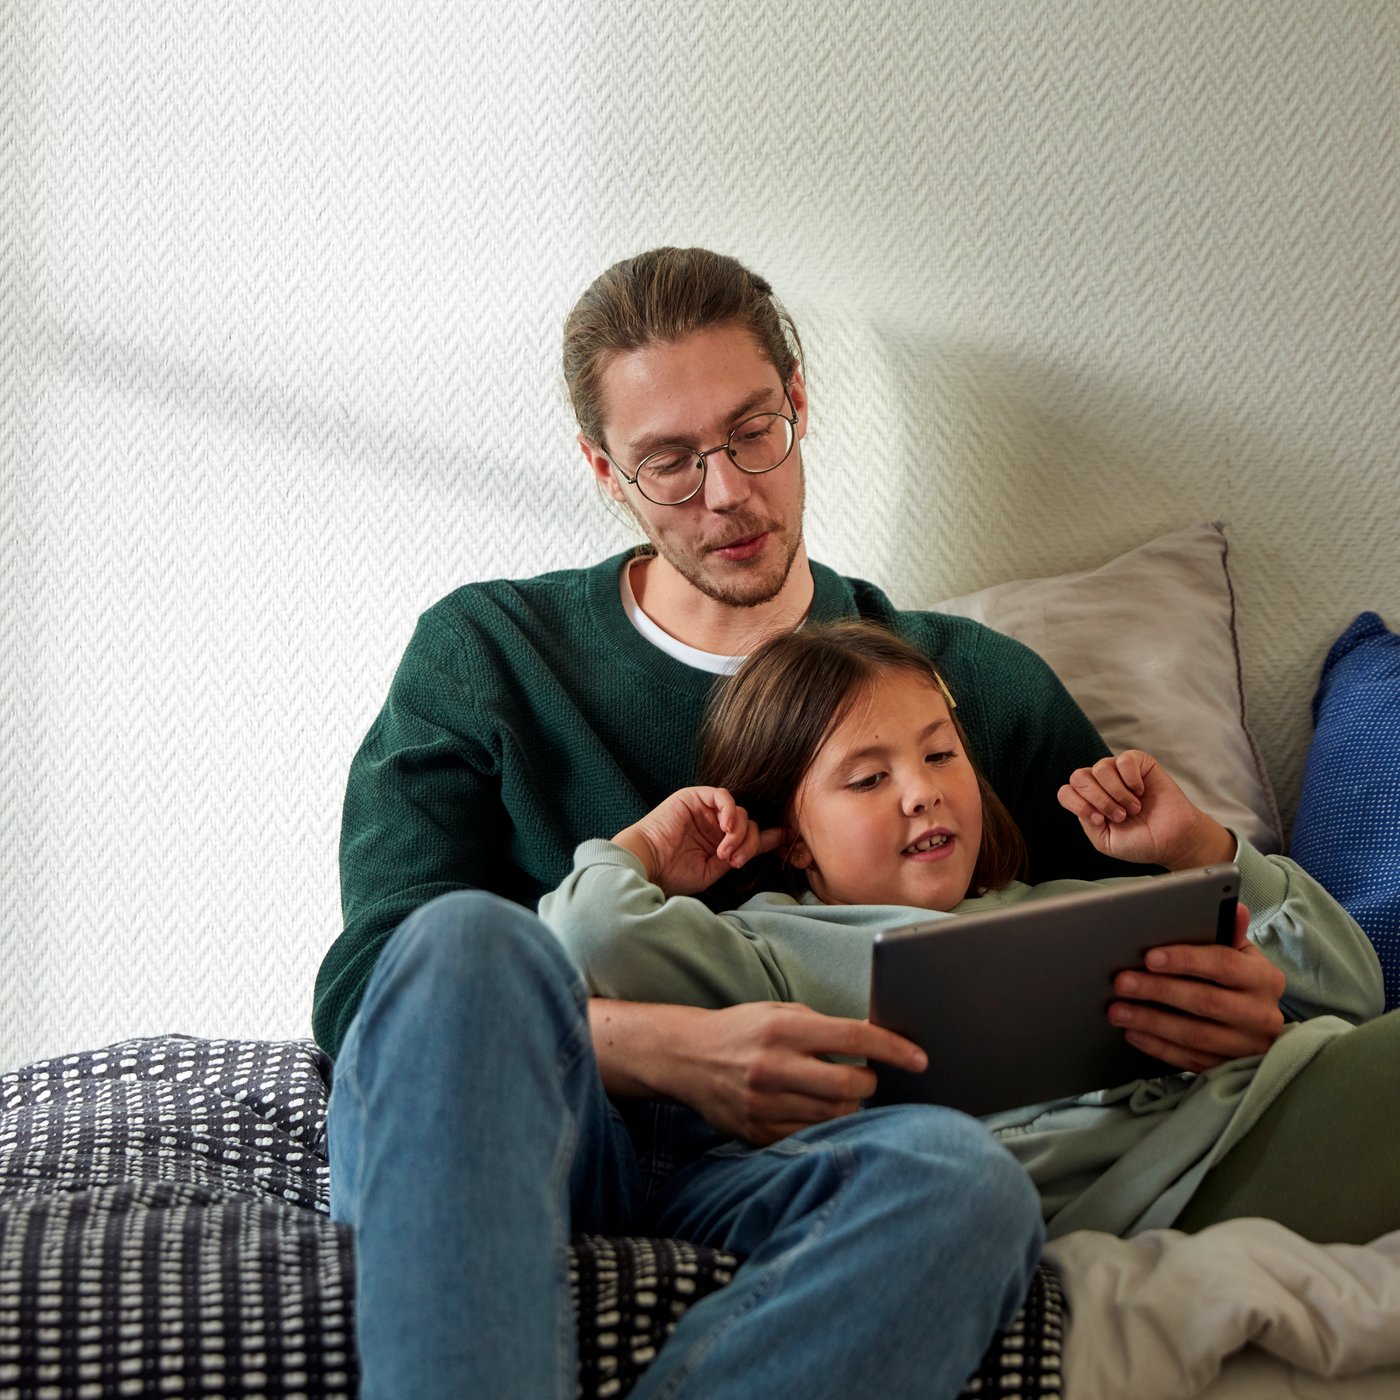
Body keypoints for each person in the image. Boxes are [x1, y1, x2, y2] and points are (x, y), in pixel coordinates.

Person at [315, 247, 1291, 1397]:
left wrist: (1233, 998)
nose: (726, 492)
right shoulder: (486, 654)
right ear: (601, 470)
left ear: (799, 406)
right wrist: (667, 1046)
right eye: (669, 463)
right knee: (472, 939)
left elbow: (1144, 925)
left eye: (752, 433)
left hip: (823, 1152)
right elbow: (381, 989)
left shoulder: (963, 685)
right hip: (547, 1120)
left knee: (961, 1182)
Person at [541, 619, 1390, 1242]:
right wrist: (644, 847)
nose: (923, 791)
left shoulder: (1067, 908)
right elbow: (593, 937)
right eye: (869, 778)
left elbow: (1353, 990)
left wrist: (1199, 847)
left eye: (941, 755)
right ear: (792, 836)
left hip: (1272, 1091)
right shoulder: (769, 950)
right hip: (1179, 1180)